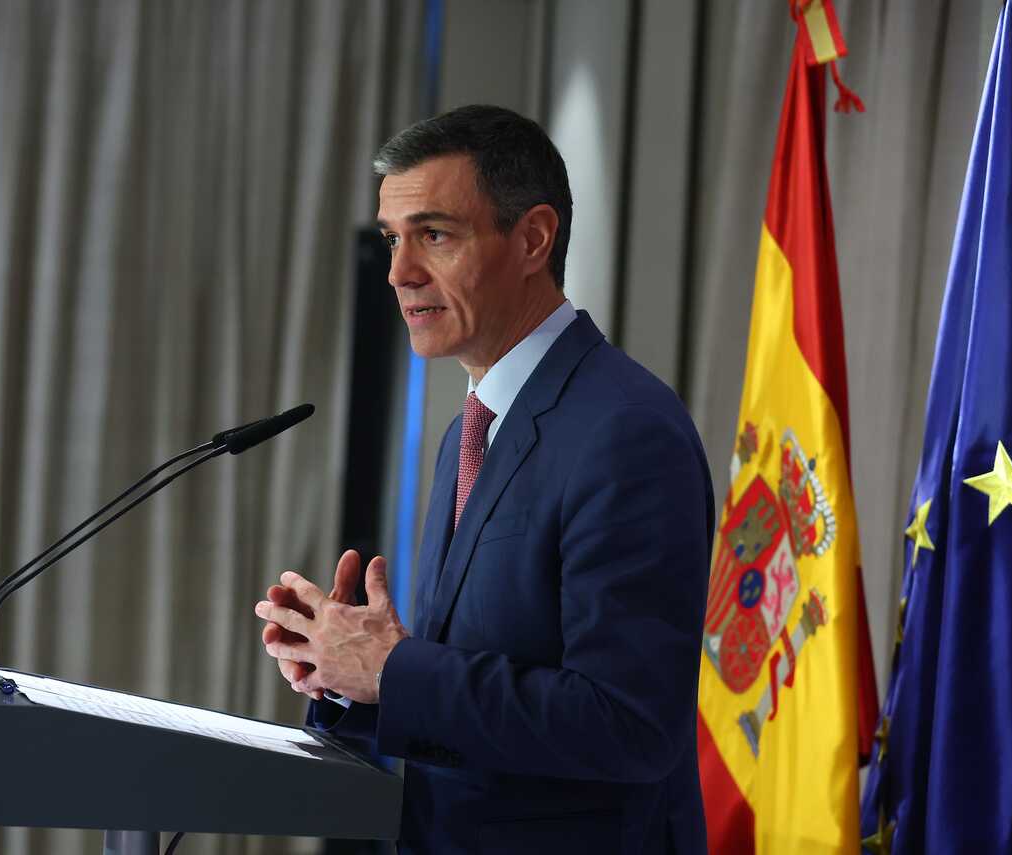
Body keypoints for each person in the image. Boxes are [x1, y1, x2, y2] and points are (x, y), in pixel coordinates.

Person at [254, 104, 714, 854]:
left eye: (434, 235)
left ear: (533, 239)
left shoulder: (626, 430)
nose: (400, 272)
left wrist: (394, 669)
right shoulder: (472, 430)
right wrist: (348, 674)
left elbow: (628, 725)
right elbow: (481, 692)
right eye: (392, 239)